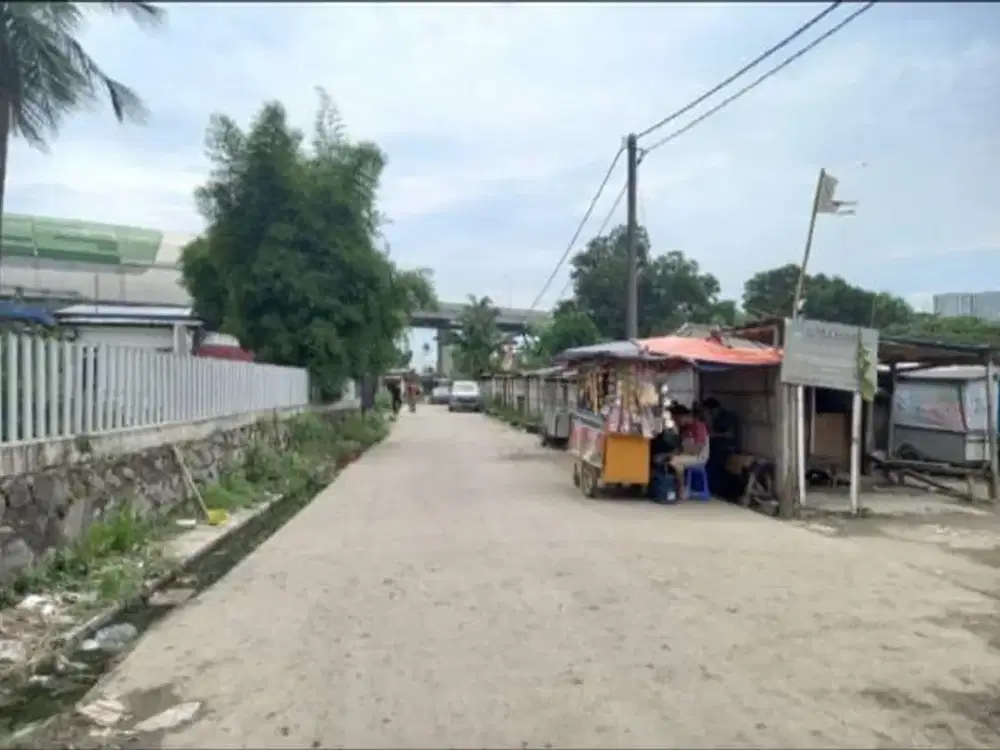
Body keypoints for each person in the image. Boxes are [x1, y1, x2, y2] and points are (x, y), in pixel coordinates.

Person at [668, 404, 710, 501]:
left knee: (675, 461)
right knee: (669, 459)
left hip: (699, 457)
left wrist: (680, 452)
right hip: (687, 455)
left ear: (683, 416)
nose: (675, 422)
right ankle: (678, 489)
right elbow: (680, 446)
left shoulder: (699, 427)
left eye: (676, 419)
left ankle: (681, 489)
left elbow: (697, 449)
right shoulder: (684, 429)